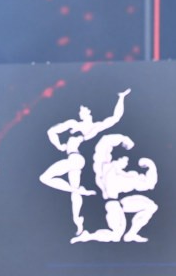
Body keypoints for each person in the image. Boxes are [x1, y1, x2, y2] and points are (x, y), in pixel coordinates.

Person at [39, 90, 129, 236]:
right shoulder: (76, 124)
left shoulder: (90, 127)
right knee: (74, 194)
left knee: (45, 178)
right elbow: (51, 132)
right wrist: (59, 145)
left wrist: (121, 98)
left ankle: (80, 191)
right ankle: (78, 223)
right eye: (81, 110)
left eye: (85, 110)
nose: (83, 112)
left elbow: (115, 118)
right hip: (76, 160)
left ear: (88, 112)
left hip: (75, 158)